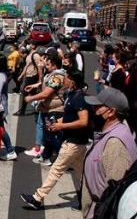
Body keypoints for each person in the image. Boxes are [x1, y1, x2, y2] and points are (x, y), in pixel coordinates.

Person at [20, 70, 90, 210]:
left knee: (56, 170)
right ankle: (91, 198)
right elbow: (71, 117)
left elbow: (83, 121)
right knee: (83, 174)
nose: (64, 81)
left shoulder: (79, 98)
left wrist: (61, 125)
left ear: (73, 81)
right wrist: (57, 123)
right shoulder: (71, 95)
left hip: (74, 142)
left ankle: (37, 198)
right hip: (75, 142)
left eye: (67, 78)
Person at [82, 87, 137, 219]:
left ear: (111, 112)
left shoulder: (115, 143)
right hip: (98, 216)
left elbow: (114, 191)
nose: (93, 110)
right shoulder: (112, 133)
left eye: (98, 107)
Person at [23, 54, 66, 163]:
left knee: (52, 136)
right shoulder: (52, 74)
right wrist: (35, 86)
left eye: (48, 64)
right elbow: (46, 84)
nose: (46, 66)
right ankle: (46, 156)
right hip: (47, 108)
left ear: (54, 65)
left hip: (55, 109)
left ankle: (63, 159)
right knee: (48, 135)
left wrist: (31, 98)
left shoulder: (57, 77)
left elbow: (47, 93)